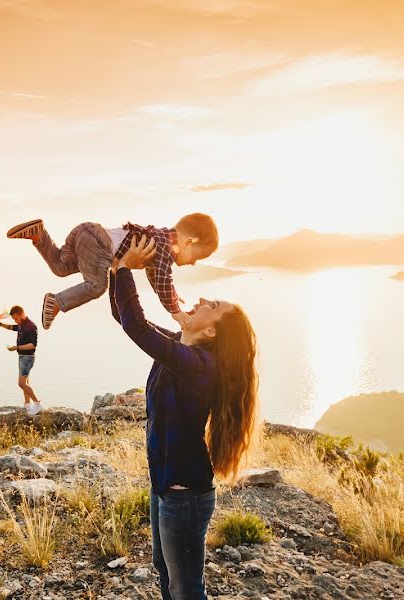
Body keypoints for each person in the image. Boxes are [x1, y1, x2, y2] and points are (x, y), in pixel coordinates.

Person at [109, 235, 260, 600]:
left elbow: (137, 327)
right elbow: (124, 317)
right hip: (164, 486)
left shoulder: (199, 367)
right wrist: (116, 269)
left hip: (186, 496)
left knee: (187, 589)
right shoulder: (180, 348)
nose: (202, 299)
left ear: (211, 331)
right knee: (165, 574)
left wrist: (127, 268)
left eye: (212, 305)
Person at [5, 214, 218, 330]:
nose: (192, 264)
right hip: (99, 244)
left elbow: (156, 275)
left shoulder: (158, 238)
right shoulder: (166, 246)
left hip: (86, 232)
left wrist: (171, 295)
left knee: (61, 268)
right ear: (189, 242)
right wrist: (175, 311)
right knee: (97, 285)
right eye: (196, 258)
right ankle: (57, 302)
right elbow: (163, 277)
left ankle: (39, 236)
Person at [0, 306, 43, 415]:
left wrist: (16, 348)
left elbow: (32, 345)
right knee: (26, 382)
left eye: (16, 318)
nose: (15, 321)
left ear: (22, 314)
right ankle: (27, 405)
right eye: (14, 319)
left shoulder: (31, 326)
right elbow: (13, 328)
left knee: (21, 383)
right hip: (22, 357)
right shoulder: (22, 325)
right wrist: (0, 324)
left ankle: (38, 404)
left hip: (28, 358)